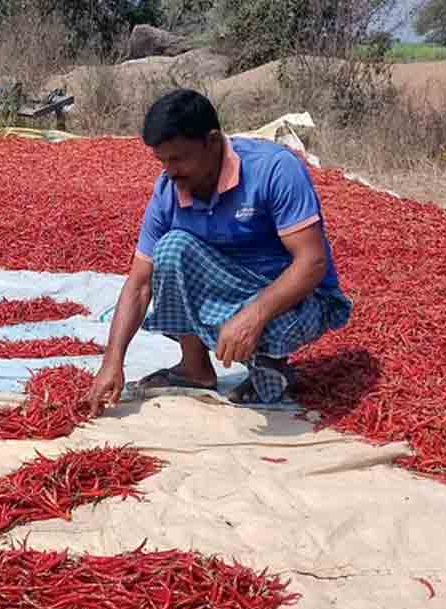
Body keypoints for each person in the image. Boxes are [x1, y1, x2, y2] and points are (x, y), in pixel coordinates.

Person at [85, 89, 352, 415]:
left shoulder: (273, 169)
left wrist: (252, 316)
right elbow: (139, 283)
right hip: (231, 288)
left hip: (300, 298)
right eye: (162, 161)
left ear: (212, 142)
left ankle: (272, 363)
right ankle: (194, 368)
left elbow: (312, 262)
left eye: (178, 158)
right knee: (171, 249)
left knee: (269, 324)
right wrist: (112, 361)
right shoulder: (169, 189)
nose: (169, 171)